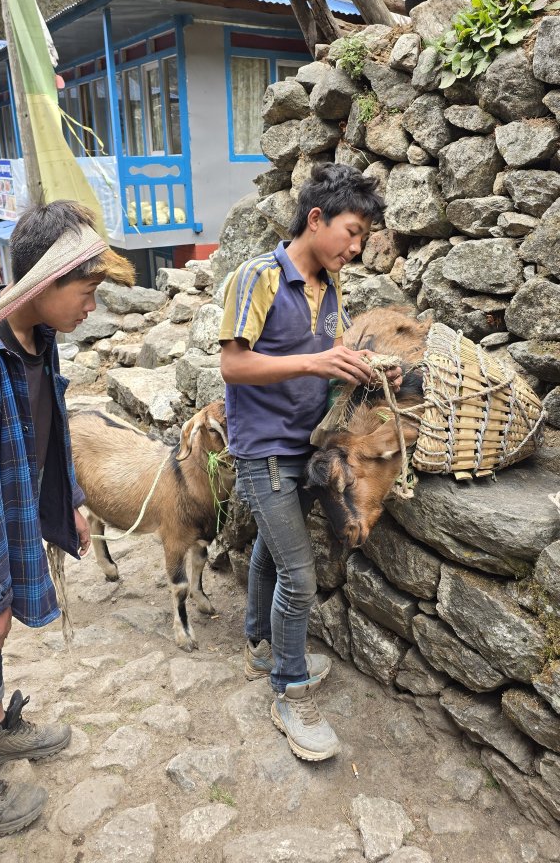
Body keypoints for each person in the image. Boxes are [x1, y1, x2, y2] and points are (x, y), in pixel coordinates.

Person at [219, 163, 402, 762]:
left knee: (275, 555)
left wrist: (370, 368)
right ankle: (289, 691)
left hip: (309, 444)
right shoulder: (258, 278)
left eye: (364, 238)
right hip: (266, 448)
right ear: (315, 219)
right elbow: (234, 367)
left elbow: (334, 353)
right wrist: (317, 364)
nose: (356, 247)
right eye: (350, 232)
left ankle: (260, 646)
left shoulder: (330, 285)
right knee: (300, 576)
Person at [0, 200, 134, 836]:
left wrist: (70, 497)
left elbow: (50, 430)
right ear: (43, 283)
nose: (91, 305)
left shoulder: (38, 340)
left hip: (15, 518)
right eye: (86, 287)